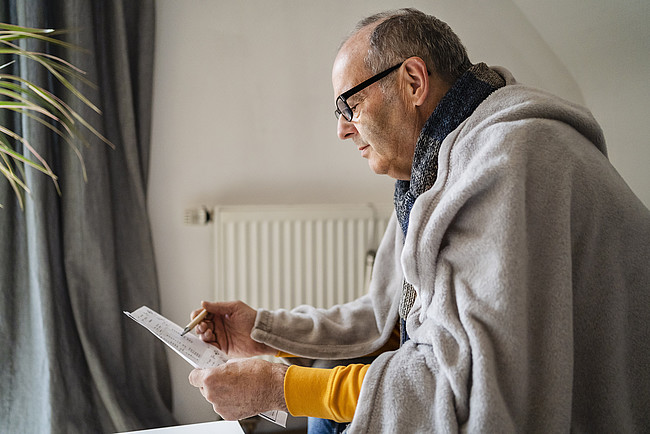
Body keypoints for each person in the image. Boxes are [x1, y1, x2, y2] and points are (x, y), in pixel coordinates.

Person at [187, 8, 650, 433]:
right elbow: (385, 318)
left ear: (412, 81)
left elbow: (473, 395)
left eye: (349, 105)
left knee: (322, 412)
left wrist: (283, 387)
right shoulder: (431, 170)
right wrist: (265, 332)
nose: (341, 129)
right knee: (325, 413)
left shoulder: (508, 162)